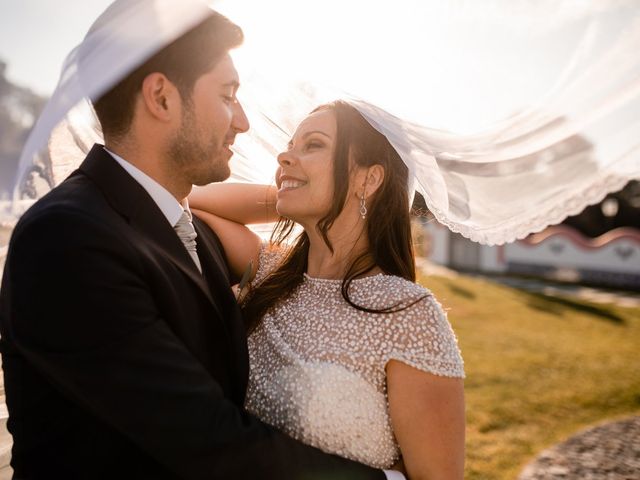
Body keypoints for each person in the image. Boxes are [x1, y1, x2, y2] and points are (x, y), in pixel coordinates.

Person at [0, 5, 390, 479]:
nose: (242, 122)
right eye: (228, 96)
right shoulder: (66, 238)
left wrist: (325, 193)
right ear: (161, 97)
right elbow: (205, 441)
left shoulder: (191, 229)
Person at [189, 100, 466, 480]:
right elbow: (188, 202)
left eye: (313, 145)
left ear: (369, 179)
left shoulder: (408, 314)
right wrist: (294, 191)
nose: (285, 156)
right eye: (290, 145)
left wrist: (308, 191)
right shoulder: (269, 272)